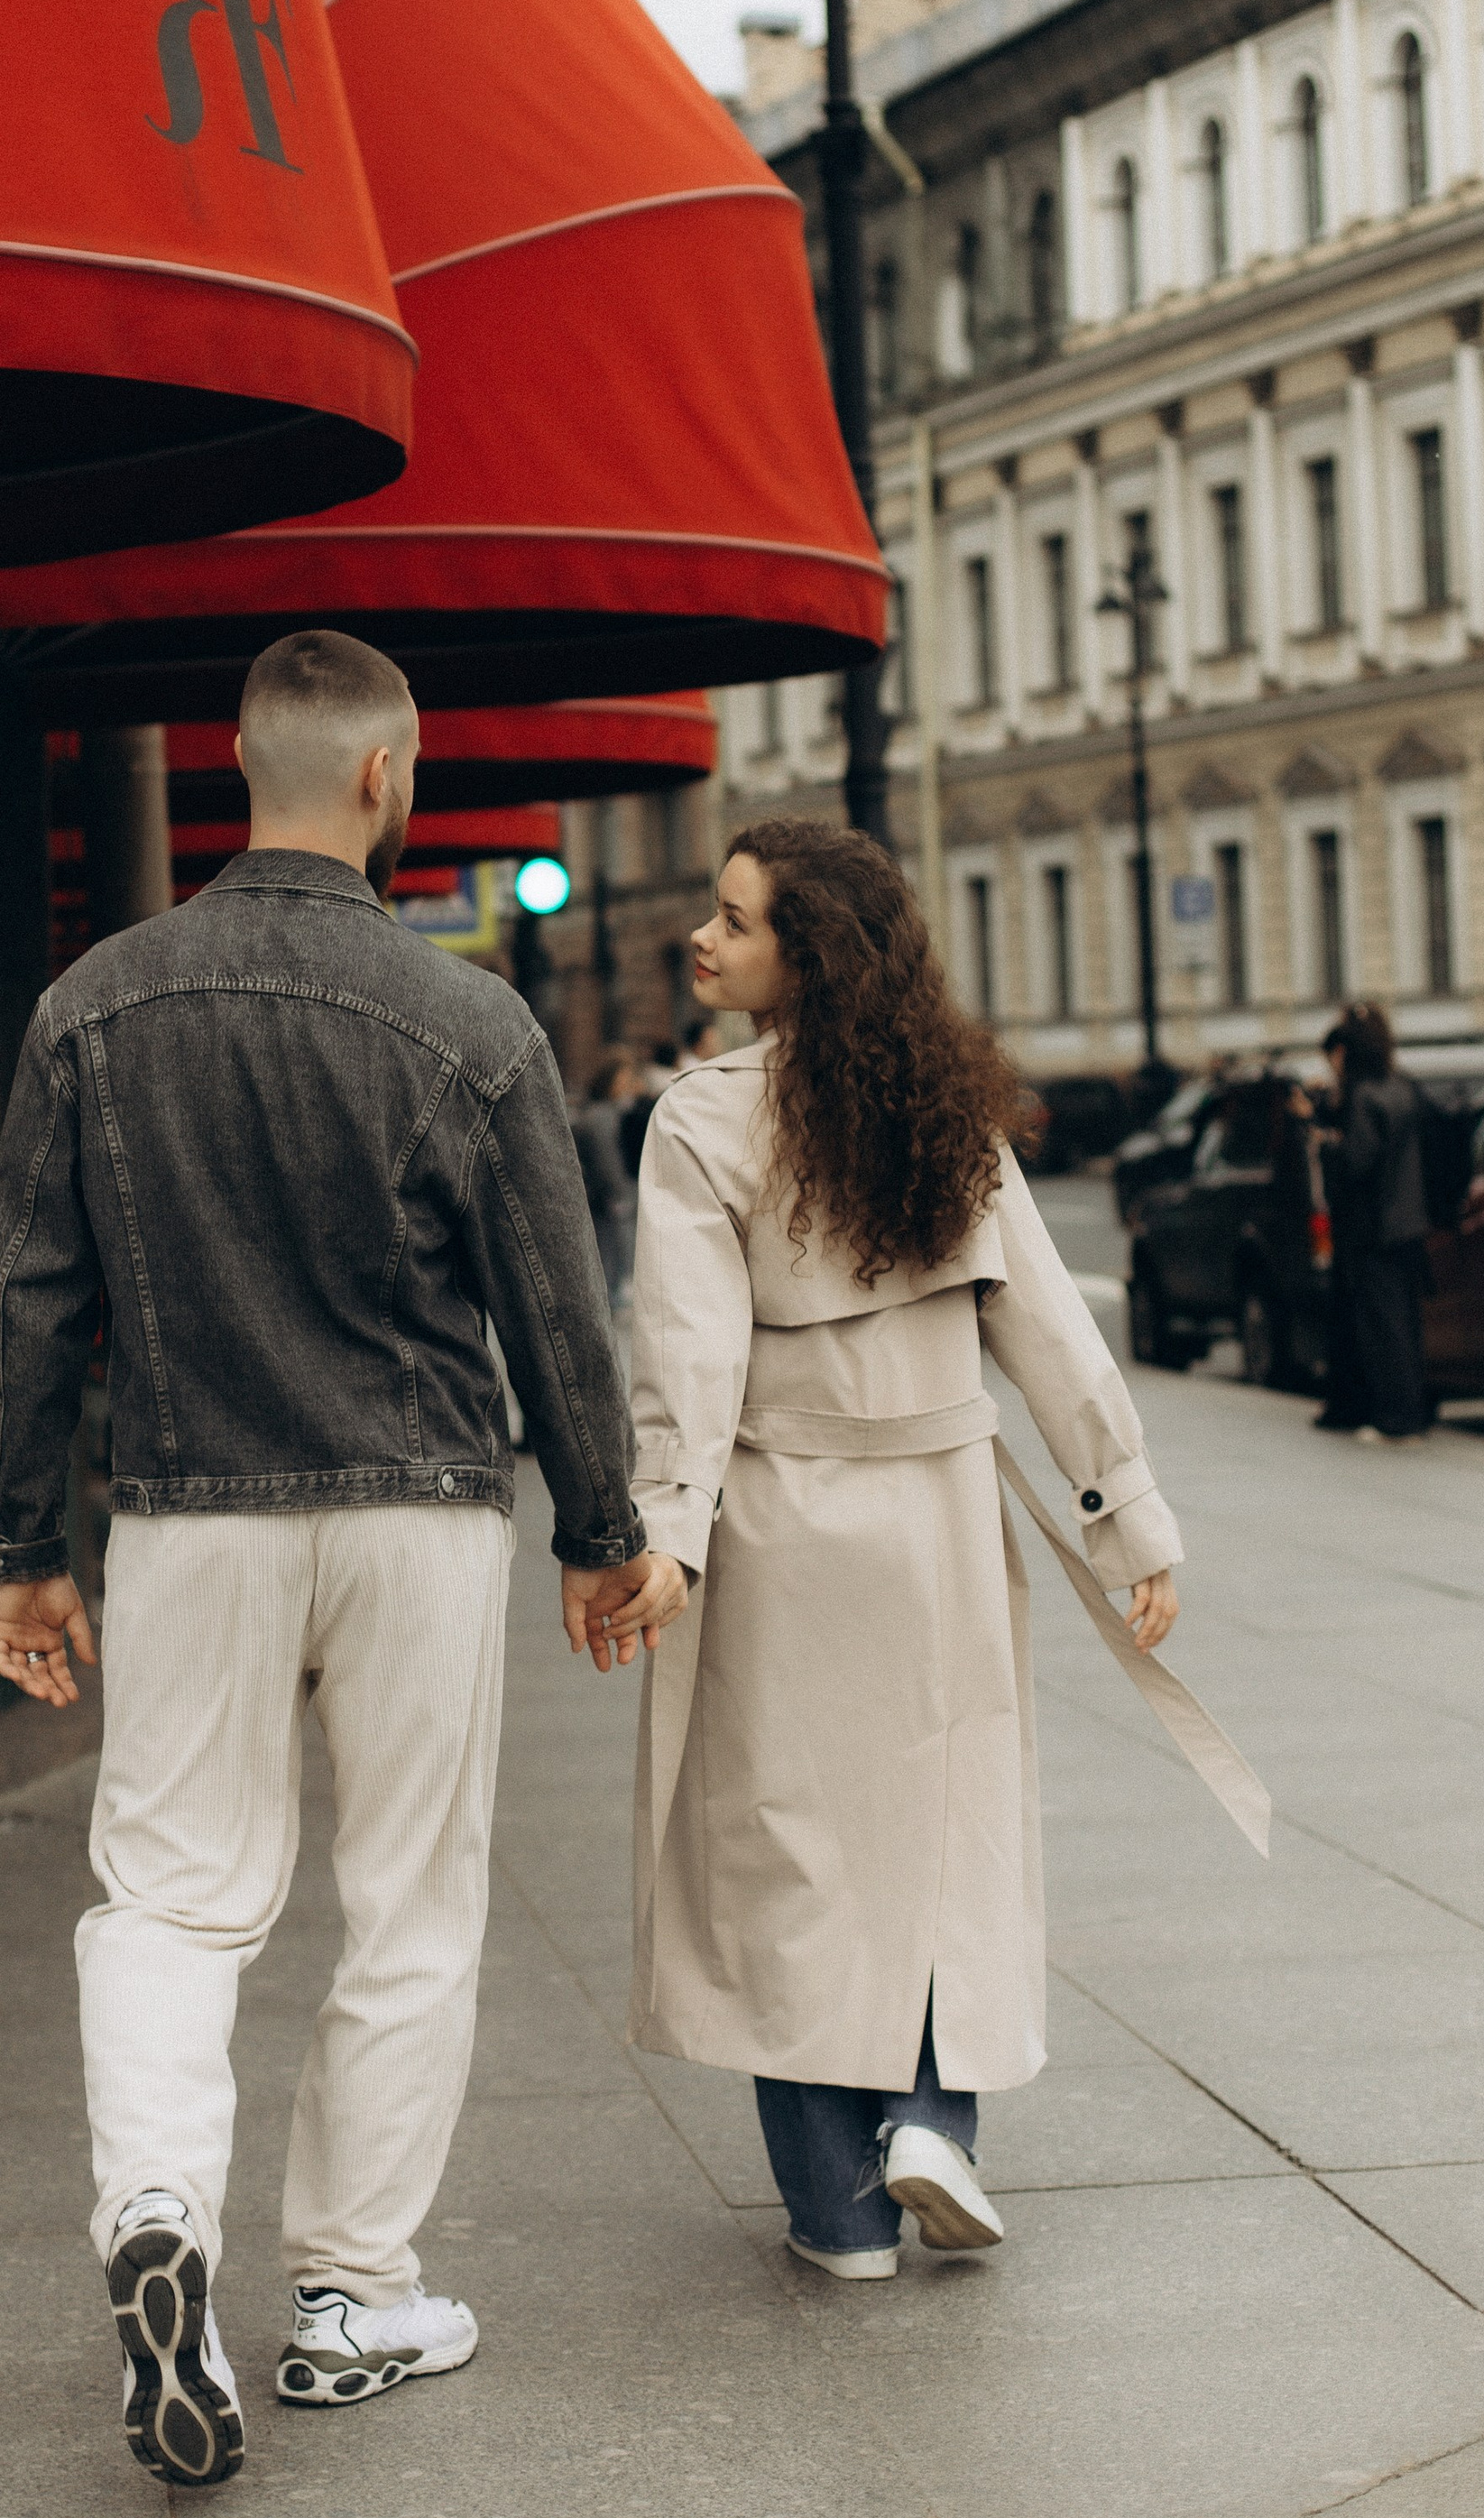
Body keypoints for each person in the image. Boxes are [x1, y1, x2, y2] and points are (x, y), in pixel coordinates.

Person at [0, 630, 676, 2487]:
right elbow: (556, 1310)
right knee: (408, 1903)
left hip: (191, 1511)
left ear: (234, 760)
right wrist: (598, 1534)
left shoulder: (92, 1007)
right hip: (419, 1512)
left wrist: (17, 1549)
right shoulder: (473, 1027)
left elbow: (33, 1300)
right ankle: (354, 2294)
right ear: (387, 777)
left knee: (168, 1896)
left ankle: (157, 2221)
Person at [623, 818, 1193, 2282]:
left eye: (736, 921)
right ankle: (937, 2118)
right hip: (938, 1522)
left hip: (785, 1527)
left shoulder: (702, 1119)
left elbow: (686, 1359)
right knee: (945, 1832)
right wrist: (1128, 1515)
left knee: (787, 1860)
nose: (704, 937)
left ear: (803, 956)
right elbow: (1049, 1329)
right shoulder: (951, 1115)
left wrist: (666, 1538)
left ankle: (840, 2219)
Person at [1292, 1003, 1431, 1445]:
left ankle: (1397, 1417)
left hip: (1377, 1226)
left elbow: (1358, 1162)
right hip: (1409, 1222)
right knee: (1405, 1322)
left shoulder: (1366, 1096)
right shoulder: (1402, 1087)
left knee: (1384, 1326)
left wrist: (1326, 1143)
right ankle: (1413, 1412)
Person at [571, 1046, 642, 1306]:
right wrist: (622, 1193)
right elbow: (607, 1162)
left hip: (602, 1200)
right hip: (603, 1203)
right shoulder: (600, 1117)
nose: (627, 1084)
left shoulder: (605, 1113)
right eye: (623, 1078)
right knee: (607, 1260)